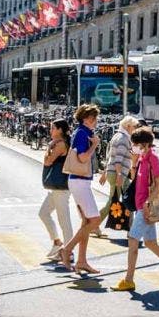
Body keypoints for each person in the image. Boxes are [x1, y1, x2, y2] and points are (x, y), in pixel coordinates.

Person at [111, 127, 159, 292]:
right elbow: (136, 179)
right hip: (141, 205)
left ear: (145, 144)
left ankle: (128, 280)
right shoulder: (141, 157)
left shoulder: (153, 158)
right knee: (151, 243)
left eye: (136, 144)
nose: (133, 147)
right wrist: (134, 162)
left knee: (133, 240)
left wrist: (147, 203)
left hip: (145, 206)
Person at [58, 104, 102, 274]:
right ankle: (67, 249)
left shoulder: (83, 132)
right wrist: (95, 145)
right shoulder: (82, 133)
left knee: (86, 222)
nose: (95, 121)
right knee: (95, 220)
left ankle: (82, 261)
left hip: (79, 181)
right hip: (79, 182)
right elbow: (82, 158)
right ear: (86, 118)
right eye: (93, 118)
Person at [96, 116, 139, 237]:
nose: (135, 129)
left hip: (116, 174)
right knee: (113, 201)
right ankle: (93, 224)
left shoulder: (118, 136)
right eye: (134, 126)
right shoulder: (123, 139)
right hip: (118, 174)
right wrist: (119, 175)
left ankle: (130, 228)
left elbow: (110, 157)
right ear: (128, 126)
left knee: (128, 199)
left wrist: (105, 173)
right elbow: (118, 160)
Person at [40, 119, 73, 262]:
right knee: (43, 213)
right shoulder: (60, 143)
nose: (50, 130)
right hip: (56, 187)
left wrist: (48, 147)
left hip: (61, 187)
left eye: (52, 128)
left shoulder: (60, 144)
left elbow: (48, 161)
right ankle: (57, 242)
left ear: (60, 130)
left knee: (63, 219)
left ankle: (69, 251)